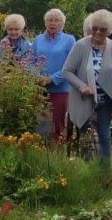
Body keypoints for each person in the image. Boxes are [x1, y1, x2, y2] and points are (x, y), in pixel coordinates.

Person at [63, 9, 112, 164]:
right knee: (85, 136)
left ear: (110, 30)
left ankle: (104, 171)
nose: (98, 32)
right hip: (84, 100)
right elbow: (66, 71)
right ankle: (87, 171)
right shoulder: (81, 45)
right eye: (95, 28)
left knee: (105, 136)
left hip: (105, 100)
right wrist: (82, 86)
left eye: (103, 29)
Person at [32, 8, 76, 139]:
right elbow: (30, 61)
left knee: (58, 126)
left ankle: (56, 153)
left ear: (62, 23)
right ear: (45, 23)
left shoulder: (69, 40)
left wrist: (52, 78)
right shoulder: (38, 39)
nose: (53, 23)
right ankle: (42, 152)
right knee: (42, 125)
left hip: (60, 89)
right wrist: (36, 77)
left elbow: (71, 65)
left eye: (57, 20)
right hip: (40, 88)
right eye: (50, 20)